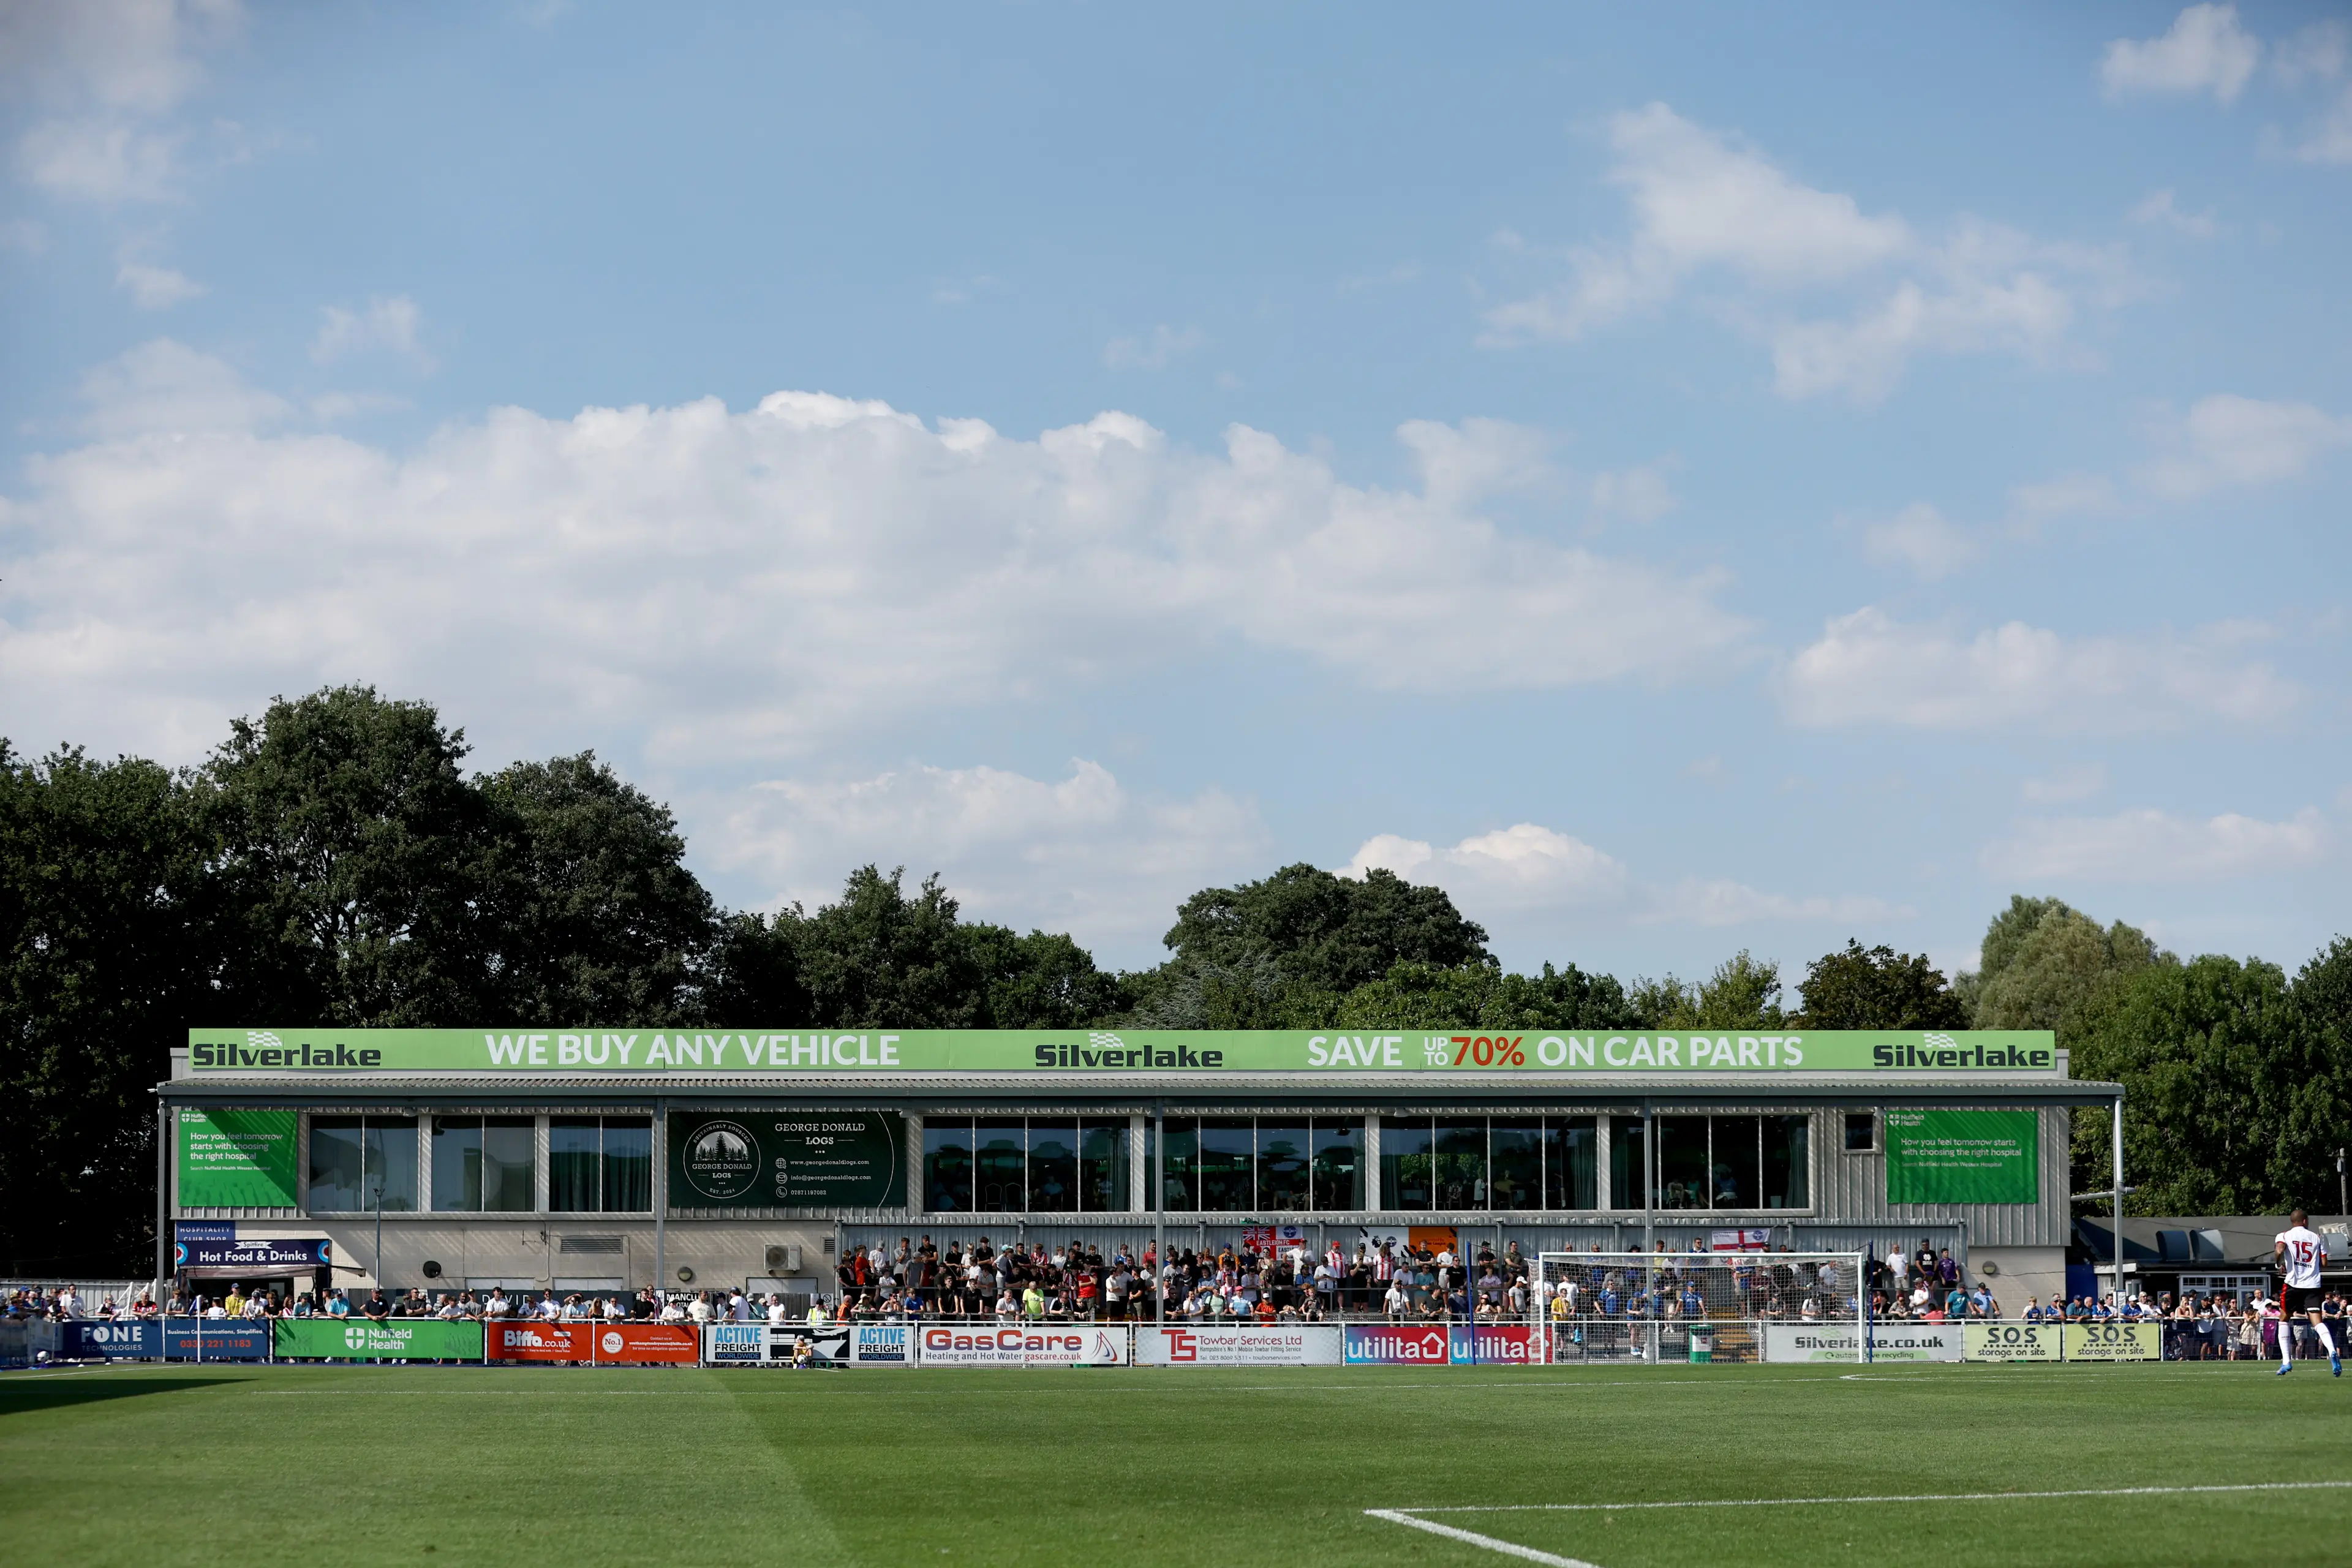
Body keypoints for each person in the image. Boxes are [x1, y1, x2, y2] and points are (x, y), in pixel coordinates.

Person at [2273, 1207, 2338, 1376]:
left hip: (2293, 1284)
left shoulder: (2284, 1235)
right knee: (2317, 1322)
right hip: (2313, 1284)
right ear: (2305, 1221)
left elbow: (2279, 1250)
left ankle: (2287, 1361)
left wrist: (2280, 1263)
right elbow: (2324, 1263)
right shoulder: (2317, 1237)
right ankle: (2332, 1351)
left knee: (2283, 1319)